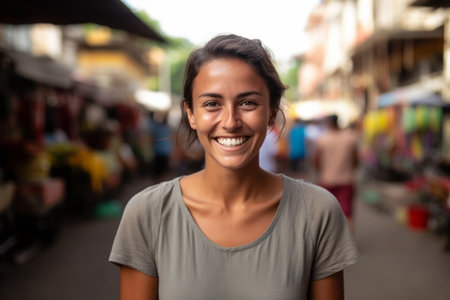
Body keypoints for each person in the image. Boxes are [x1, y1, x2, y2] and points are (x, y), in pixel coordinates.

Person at [109, 34, 360, 300]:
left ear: (272, 112)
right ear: (191, 114)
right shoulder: (148, 214)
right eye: (212, 104)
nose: (230, 121)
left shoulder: (317, 212)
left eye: (248, 103)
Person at [313, 114, 360, 230]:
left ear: (329, 123)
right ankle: (349, 245)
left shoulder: (323, 139)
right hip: (346, 179)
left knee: (327, 215)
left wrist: (324, 171)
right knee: (347, 214)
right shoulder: (350, 137)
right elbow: (356, 161)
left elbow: (316, 161)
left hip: (327, 180)